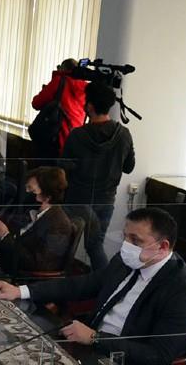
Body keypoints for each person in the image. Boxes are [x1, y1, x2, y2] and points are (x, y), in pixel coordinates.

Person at [0, 207, 186, 365]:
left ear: (163, 247)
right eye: (125, 237)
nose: (126, 245)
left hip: (116, 356)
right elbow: (83, 285)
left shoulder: (181, 288)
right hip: (87, 344)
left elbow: (159, 355)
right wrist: (21, 291)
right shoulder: (127, 260)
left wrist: (95, 338)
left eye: (135, 240)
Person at [61, 82, 135, 270]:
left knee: (63, 242)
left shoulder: (77, 135)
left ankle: (59, 279)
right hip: (106, 200)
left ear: (90, 106)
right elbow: (129, 167)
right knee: (95, 246)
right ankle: (103, 282)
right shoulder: (124, 134)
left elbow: (64, 167)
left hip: (76, 199)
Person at [0, 166, 77, 275]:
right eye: (26, 188)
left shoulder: (58, 224)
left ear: (47, 196)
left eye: (31, 190)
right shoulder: (30, 213)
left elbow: (39, 264)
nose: (26, 192)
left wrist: (4, 235)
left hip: (14, 276)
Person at [31, 58, 89, 158]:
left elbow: (36, 103)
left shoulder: (59, 81)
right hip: (74, 143)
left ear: (63, 69)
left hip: (54, 140)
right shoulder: (86, 89)